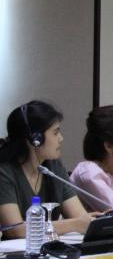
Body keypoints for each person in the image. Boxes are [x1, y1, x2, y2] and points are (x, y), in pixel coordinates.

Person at [0, 101, 96, 238]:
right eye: (55, 133)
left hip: (50, 248)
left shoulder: (54, 167)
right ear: (35, 139)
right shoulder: (4, 171)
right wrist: (74, 224)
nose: (61, 139)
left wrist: (93, 222)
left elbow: (80, 218)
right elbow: (15, 229)